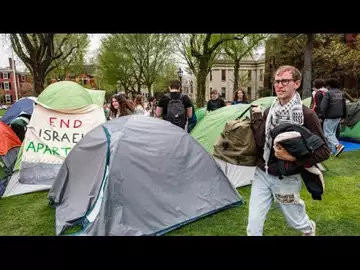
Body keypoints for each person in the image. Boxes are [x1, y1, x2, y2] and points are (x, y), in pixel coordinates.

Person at [247, 65, 330, 236]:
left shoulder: (307, 115)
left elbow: (324, 151)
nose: (279, 85)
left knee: (296, 222)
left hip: (287, 178)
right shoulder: (269, 111)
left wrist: (292, 159)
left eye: (284, 81)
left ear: (297, 83)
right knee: (253, 225)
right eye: (277, 81)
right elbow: (262, 142)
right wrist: (256, 121)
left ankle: (309, 229)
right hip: (262, 173)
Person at [320, 78, 347, 157]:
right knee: (332, 133)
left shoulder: (328, 93)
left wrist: (322, 116)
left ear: (329, 85)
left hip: (330, 116)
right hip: (338, 116)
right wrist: (344, 116)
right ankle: (331, 150)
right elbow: (344, 105)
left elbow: (323, 107)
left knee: (327, 134)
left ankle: (338, 146)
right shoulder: (340, 93)